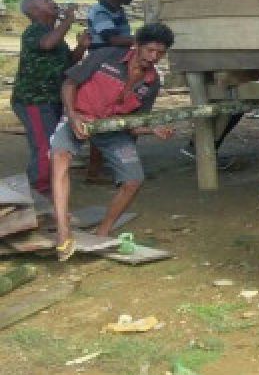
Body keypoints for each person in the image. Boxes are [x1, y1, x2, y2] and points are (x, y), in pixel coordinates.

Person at [48, 23, 175, 260]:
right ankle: (63, 231)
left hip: (113, 128)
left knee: (134, 180)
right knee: (60, 158)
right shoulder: (104, 56)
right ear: (136, 46)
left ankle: (103, 231)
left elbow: (134, 123)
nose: (154, 57)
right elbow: (69, 83)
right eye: (149, 50)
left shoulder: (152, 82)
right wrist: (73, 115)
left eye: (160, 53)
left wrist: (152, 129)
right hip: (78, 117)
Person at [11, 0, 89, 196]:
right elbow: (47, 45)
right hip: (34, 100)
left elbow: (68, 63)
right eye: (46, 1)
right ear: (35, 12)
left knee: (50, 142)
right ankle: (39, 189)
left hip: (51, 99)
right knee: (44, 144)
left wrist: (81, 46)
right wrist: (68, 20)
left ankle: (43, 186)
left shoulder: (53, 34)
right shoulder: (34, 31)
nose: (53, 2)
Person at [82, 0, 139, 184]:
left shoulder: (117, 11)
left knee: (119, 115)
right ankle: (94, 171)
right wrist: (143, 40)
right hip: (102, 70)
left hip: (115, 67)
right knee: (102, 117)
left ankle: (113, 166)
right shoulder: (100, 11)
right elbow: (113, 39)